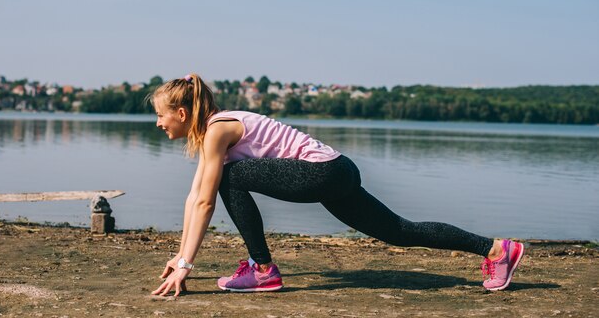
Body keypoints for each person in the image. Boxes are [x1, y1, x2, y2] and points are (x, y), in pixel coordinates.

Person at [150, 73, 524, 296]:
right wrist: (180, 256)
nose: (158, 123)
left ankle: (262, 270)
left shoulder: (218, 130)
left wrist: (187, 264)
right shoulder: (216, 131)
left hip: (319, 173)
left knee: (229, 179)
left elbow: (205, 203)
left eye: (160, 116)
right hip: (338, 171)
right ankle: (495, 250)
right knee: (398, 231)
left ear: (182, 114)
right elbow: (194, 197)